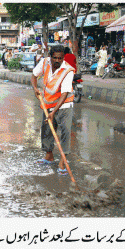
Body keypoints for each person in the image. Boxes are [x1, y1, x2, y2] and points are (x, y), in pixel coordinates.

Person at [31, 45, 75, 175]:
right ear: (50, 57)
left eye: (60, 58)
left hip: (64, 105)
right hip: (48, 103)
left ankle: (62, 161)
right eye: (55, 58)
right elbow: (34, 75)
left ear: (63, 58)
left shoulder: (68, 71)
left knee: (65, 132)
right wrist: (35, 88)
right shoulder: (44, 63)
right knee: (47, 130)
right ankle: (49, 156)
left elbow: (64, 94)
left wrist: (53, 112)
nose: (57, 61)